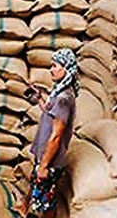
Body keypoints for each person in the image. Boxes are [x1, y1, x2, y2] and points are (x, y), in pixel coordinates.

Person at [21, 48, 78, 218]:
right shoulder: (58, 93)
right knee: (39, 191)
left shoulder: (64, 99)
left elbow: (56, 136)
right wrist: (39, 97)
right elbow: (48, 109)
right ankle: (24, 206)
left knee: (46, 203)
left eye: (55, 66)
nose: (51, 70)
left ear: (66, 69)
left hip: (51, 161)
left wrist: (44, 166)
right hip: (45, 157)